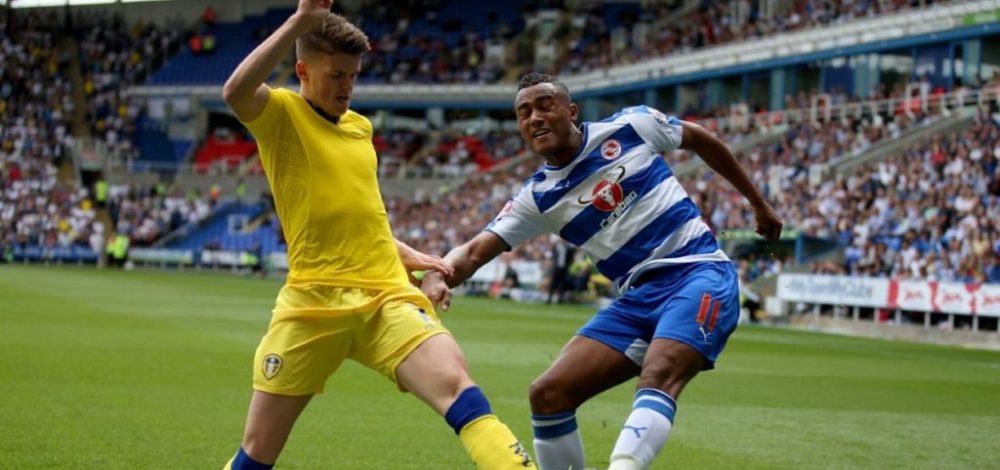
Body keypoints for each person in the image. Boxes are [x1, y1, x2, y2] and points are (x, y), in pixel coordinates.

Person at [220, 2, 536, 469]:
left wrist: (410, 254)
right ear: (303, 71)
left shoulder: (360, 128)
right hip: (313, 303)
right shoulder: (282, 114)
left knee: (459, 390)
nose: (347, 86)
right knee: (258, 451)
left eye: (353, 75)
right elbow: (235, 91)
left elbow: (364, 218)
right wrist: (301, 21)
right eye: (336, 75)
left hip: (386, 296)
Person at [421, 72, 783, 470]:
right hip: (637, 298)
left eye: (545, 105)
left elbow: (699, 138)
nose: (534, 117)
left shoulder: (631, 126)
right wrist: (437, 272)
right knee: (548, 394)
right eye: (524, 113)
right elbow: (473, 252)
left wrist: (758, 203)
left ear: (571, 111)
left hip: (698, 271)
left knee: (659, 371)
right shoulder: (538, 198)